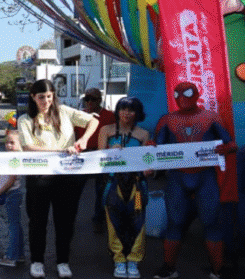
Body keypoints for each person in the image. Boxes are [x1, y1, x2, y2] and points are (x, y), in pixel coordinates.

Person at [152, 82, 237, 279]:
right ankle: (169, 268)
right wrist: (151, 147)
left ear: (197, 94)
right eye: (178, 93)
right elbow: (157, 147)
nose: (182, 97)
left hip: (204, 175)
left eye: (187, 92)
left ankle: (218, 270)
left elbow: (231, 143)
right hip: (177, 176)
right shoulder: (167, 120)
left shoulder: (210, 117)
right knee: (175, 223)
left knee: (211, 223)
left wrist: (226, 148)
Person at [17, 79, 99, 279]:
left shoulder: (64, 112)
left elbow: (93, 121)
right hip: (39, 177)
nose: (45, 101)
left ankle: (63, 261)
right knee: (37, 221)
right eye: (41, 97)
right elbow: (28, 147)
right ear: (33, 97)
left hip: (67, 176)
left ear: (53, 95)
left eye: (49, 96)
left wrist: (83, 139)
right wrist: (61, 150)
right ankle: (37, 261)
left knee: (65, 221)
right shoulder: (25, 119)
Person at [97, 97, 151, 279]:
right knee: (114, 222)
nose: (126, 113)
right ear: (117, 111)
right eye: (123, 109)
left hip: (136, 187)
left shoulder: (143, 134)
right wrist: (109, 152)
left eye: (131, 110)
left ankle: (134, 260)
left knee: (138, 220)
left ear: (138, 113)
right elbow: (98, 159)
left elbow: (148, 163)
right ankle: (119, 260)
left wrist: (150, 169)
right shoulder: (106, 131)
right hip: (113, 186)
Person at [78, 87, 116, 233]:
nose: (89, 102)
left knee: (101, 190)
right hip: (83, 156)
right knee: (75, 189)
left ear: (100, 100)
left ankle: (99, 219)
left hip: (101, 156)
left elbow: (114, 136)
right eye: (86, 99)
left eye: (93, 99)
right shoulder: (80, 115)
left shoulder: (109, 116)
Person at [0, 131, 24, 267]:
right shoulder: (10, 157)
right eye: (7, 142)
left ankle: (11, 256)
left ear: (20, 144)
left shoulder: (15, 158)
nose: (9, 145)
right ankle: (19, 254)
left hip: (12, 193)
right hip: (11, 194)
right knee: (15, 224)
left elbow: (11, 179)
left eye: (12, 142)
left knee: (13, 226)